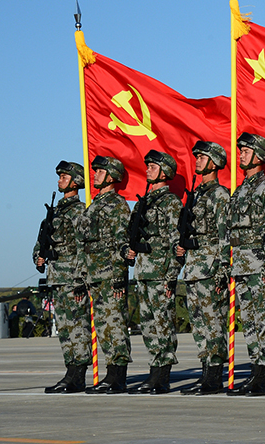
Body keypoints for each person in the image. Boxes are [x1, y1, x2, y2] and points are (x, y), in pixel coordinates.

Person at [226, 133, 265, 396]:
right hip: (241, 265)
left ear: (259, 156)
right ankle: (255, 369)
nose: (241, 155)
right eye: (241, 151)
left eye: (247, 151)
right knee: (248, 321)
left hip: (260, 264)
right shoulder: (239, 190)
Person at [125, 150, 183, 395]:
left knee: (163, 323)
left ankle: (162, 374)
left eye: (152, 166)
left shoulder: (171, 203)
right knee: (148, 325)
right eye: (147, 166)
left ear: (164, 171)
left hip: (161, 273)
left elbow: (177, 242)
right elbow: (131, 235)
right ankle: (154, 367)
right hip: (143, 272)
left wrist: (172, 275)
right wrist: (129, 251)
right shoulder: (142, 203)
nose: (147, 170)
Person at [177, 141, 231, 395]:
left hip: (210, 268)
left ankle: (214, 376)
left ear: (214, 162)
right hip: (194, 267)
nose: (197, 160)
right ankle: (205, 370)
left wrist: (223, 269)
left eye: (202, 157)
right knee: (199, 324)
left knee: (213, 322)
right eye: (196, 157)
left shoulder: (220, 195)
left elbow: (224, 234)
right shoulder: (196, 194)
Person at [79, 156, 132, 394]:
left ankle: (117, 377)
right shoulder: (94, 205)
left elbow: (122, 241)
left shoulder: (117, 205)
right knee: (102, 326)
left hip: (111, 274)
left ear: (111, 177)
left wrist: (119, 275)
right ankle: (110, 373)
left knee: (115, 324)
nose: (95, 175)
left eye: (100, 171)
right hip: (95, 275)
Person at [36, 161, 89, 393]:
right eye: (59, 177)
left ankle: (78, 375)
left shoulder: (80, 211)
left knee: (78, 326)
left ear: (76, 182)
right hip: (56, 277)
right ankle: (70, 369)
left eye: (64, 177)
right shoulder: (55, 212)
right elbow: (41, 241)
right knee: (65, 328)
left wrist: (80, 279)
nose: (60, 181)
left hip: (73, 278)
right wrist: (39, 257)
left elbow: (84, 247)